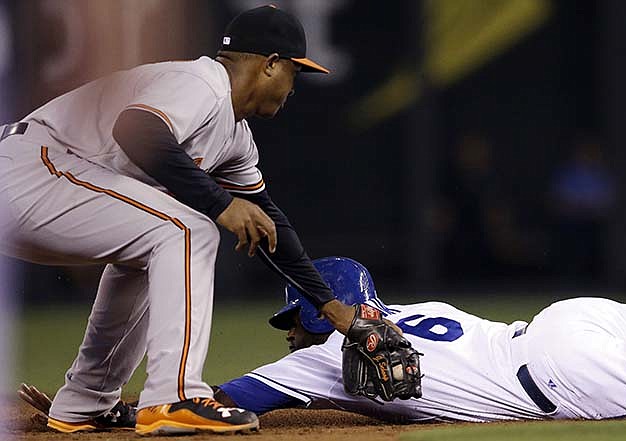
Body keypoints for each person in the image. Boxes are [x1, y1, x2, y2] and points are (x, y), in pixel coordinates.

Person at [0, 5, 358, 436]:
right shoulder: (201, 84)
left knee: (156, 243)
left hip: (41, 181)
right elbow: (136, 130)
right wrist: (220, 206)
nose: (292, 88)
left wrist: (330, 307)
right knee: (189, 228)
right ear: (270, 64)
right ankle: (175, 396)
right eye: (294, 74)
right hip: (29, 168)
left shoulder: (235, 137)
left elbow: (270, 225)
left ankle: (86, 402)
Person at [213, 257, 626, 422]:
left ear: (318, 312)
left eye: (293, 319)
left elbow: (222, 400)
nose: (290, 333)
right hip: (567, 317)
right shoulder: (425, 308)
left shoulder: (324, 357)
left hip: (564, 375)